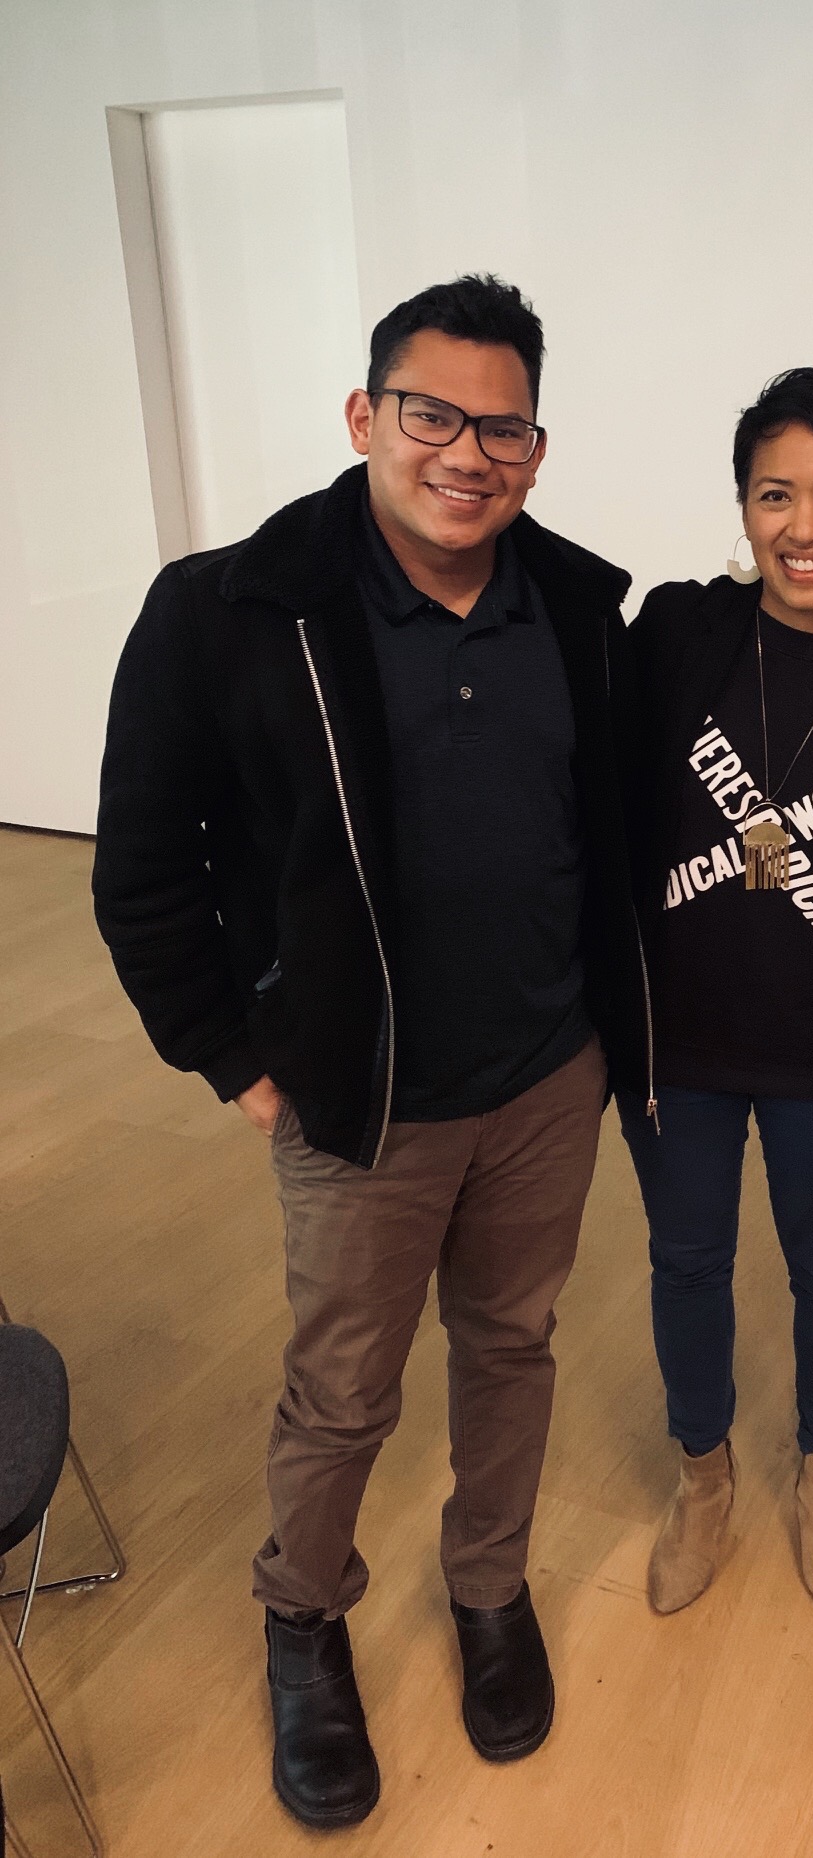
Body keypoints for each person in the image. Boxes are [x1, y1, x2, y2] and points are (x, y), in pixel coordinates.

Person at [92, 275, 647, 1826]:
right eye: (432, 413)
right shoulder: (227, 610)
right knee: (343, 1390)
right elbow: (143, 870)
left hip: (544, 1075)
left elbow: (604, 839)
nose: (467, 451)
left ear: (537, 446)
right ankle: (303, 1614)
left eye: (504, 425)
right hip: (364, 1098)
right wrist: (239, 1055)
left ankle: (487, 1588)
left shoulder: (581, 610)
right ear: (366, 414)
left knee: (511, 1345)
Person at [621, 369, 813, 1620]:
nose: (803, 525)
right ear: (742, 507)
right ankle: (702, 1479)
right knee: (687, 1260)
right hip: (682, 1044)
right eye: (775, 494)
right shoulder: (679, 636)